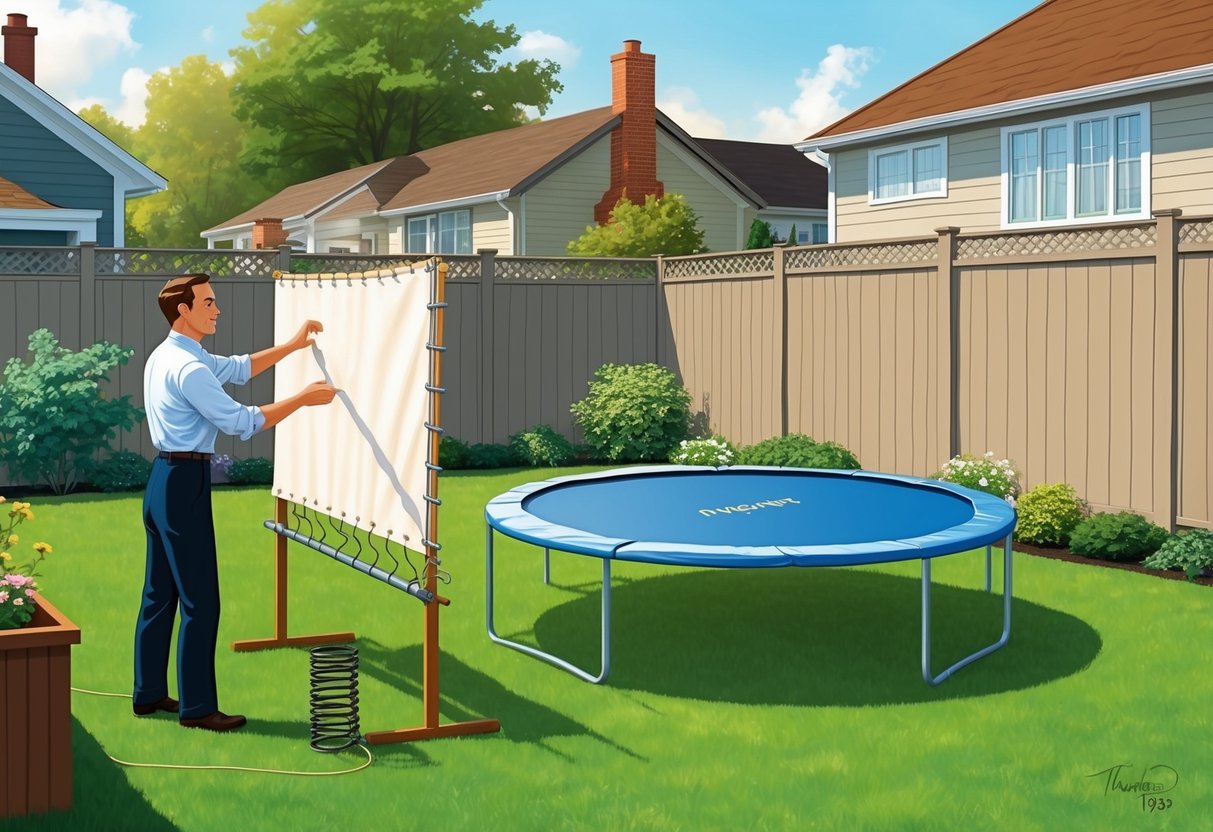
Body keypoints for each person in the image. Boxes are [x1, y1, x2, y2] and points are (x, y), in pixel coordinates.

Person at [134, 273, 338, 732]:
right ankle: (198, 708)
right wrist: (303, 399)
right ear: (183, 311)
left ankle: (147, 693)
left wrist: (291, 345)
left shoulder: (171, 354)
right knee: (201, 602)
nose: (217, 310)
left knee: (157, 595)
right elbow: (242, 421)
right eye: (208, 303)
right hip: (183, 484)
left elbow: (238, 368)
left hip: (160, 482)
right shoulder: (189, 370)